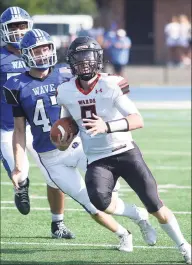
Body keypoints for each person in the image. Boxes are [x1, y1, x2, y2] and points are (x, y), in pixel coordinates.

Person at [4, 29, 157, 251]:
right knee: (90, 203)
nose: (43, 53)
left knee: (106, 196)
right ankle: (125, 233)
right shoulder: (16, 85)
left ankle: (140, 216)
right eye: (37, 50)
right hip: (49, 157)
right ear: (26, 53)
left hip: (78, 146)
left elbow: (98, 82)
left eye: (46, 48)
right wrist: (19, 167)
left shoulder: (66, 73)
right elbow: (19, 130)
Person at [56, 36, 191, 264]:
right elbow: (69, 126)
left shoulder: (111, 84)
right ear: (71, 62)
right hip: (98, 158)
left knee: (156, 205)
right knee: (100, 202)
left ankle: (184, 246)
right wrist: (62, 141)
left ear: (98, 59)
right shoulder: (65, 91)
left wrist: (106, 126)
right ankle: (138, 216)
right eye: (79, 58)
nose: (84, 63)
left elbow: (138, 120)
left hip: (125, 150)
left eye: (89, 57)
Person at [0, 6, 74, 239]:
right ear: (4, 30)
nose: (19, 31)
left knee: (56, 176)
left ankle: (58, 224)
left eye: (22, 25)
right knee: (20, 176)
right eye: (13, 27)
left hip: (40, 127)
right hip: (9, 128)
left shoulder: (41, 50)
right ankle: (22, 187)